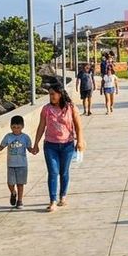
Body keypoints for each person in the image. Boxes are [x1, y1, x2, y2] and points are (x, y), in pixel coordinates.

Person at [33, 83, 85, 212]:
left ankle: (63, 196)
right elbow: (41, 126)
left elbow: (78, 126)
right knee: (53, 172)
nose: (51, 97)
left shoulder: (71, 107)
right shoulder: (46, 109)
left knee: (64, 172)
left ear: (60, 94)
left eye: (53, 94)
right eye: (49, 94)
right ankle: (53, 200)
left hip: (67, 144)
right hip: (50, 145)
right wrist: (36, 143)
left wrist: (80, 141)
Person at [0, 115, 34, 209]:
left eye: (18, 127)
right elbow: (1, 147)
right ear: (10, 126)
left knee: (20, 184)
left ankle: (20, 201)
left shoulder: (25, 137)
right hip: (11, 165)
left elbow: (30, 148)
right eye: (14, 127)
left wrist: (34, 150)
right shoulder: (8, 137)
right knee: (10, 183)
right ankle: (13, 192)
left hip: (22, 165)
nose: (16, 129)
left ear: (22, 126)